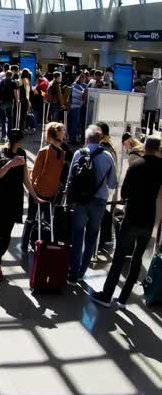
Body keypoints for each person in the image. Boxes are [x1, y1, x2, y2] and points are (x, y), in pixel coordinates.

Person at [93, 135, 162, 307]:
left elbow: (124, 193)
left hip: (132, 217)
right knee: (136, 260)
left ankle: (106, 295)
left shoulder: (136, 166)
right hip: (148, 219)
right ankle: (123, 299)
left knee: (119, 258)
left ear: (145, 147)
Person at [65, 125, 117, 282]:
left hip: (81, 201)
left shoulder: (79, 153)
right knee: (91, 238)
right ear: (101, 140)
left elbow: (70, 178)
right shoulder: (108, 156)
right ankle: (81, 273)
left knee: (77, 236)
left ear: (87, 139)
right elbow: (113, 183)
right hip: (99, 202)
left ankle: (72, 274)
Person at [0, 129, 37, 279]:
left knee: (6, 236)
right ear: (18, 140)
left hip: (14, 200)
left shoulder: (22, 154)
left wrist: (34, 195)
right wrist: (10, 164)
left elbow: (25, 178)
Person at [21, 121, 69, 252]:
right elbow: (35, 174)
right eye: (62, 132)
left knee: (42, 220)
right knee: (33, 218)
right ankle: (26, 243)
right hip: (40, 192)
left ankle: (36, 243)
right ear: (56, 134)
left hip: (49, 193)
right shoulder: (45, 152)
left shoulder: (61, 152)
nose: (64, 134)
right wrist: (32, 192)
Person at [0, 70, 17, 140]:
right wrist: (17, 100)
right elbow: (15, 93)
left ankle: (3, 134)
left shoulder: (2, 82)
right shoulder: (13, 82)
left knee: (3, 119)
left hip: (2, 102)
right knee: (10, 118)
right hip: (10, 102)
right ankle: (9, 134)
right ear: (11, 75)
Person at [68, 72, 87, 144]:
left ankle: (71, 138)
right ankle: (73, 139)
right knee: (74, 124)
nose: (83, 80)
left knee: (72, 123)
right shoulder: (78, 87)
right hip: (76, 107)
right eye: (82, 78)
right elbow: (83, 96)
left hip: (72, 107)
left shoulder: (74, 85)